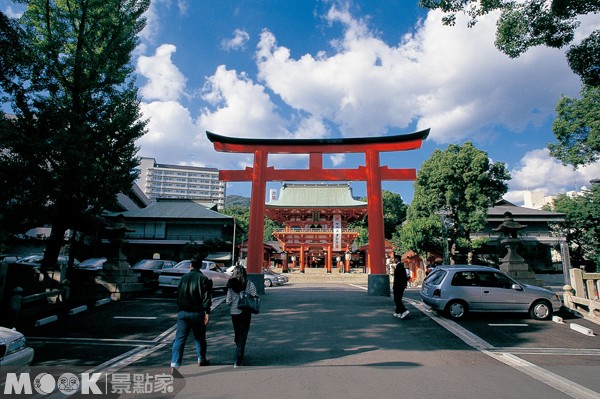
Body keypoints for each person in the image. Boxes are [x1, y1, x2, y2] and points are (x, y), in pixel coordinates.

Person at [170, 254, 213, 374]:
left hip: (183, 312)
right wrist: (207, 312)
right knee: (200, 338)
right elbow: (206, 298)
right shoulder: (202, 278)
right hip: (197, 312)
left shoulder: (183, 278)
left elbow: (178, 295)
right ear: (200, 266)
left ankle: (175, 364)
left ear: (190, 265)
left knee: (179, 339)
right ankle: (201, 358)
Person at [226, 265, 257, 367]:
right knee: (243, 336)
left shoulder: (231, 285)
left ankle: (240, 355)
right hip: (245, 311)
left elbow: (228, 300)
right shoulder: (248, 283)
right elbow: (254, 294)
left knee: (237, 335)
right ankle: (238, 359)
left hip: (234, 312)